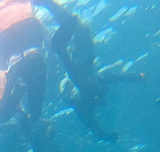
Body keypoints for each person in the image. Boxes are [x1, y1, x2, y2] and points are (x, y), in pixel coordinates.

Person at [38, 0, 144, 141]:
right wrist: (137, 76)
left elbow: (93, 126)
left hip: (70, 85)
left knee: (83, 80)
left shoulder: (86, 105)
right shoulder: (99, 82)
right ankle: (47, 27)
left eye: (100, 95)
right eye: (102, 92)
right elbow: (119, 77)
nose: (101, 92)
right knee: (82, 30)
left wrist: (106, 136)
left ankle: (53, 41)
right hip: (76, 73)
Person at [0, 0, 48, 123]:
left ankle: (20, 87)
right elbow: (49, 43)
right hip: (36, 62)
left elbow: (3, 65)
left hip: (17, 69)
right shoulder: (35, 22)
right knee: (35, 114)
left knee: (2, 118)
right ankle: (21, 89)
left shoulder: (2, 34)